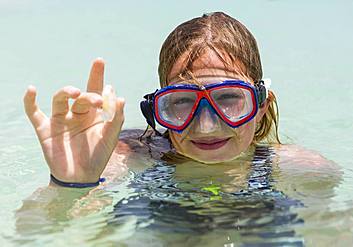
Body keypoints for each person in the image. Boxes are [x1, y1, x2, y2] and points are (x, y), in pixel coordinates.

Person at [23, 12, 318, 188]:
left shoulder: (301, 170)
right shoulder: (130, 155)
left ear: (261, 106)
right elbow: (41, 230)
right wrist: (73, 184)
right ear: (157, 110)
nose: (206, 126)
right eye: (181, 103)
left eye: (228, 99)